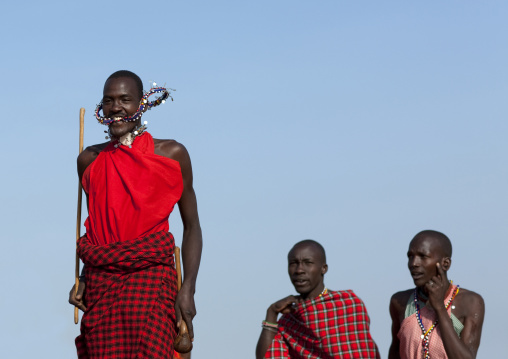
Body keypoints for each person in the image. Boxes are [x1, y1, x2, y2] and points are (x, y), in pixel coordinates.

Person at [68, 70, 202, 358]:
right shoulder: (89, 160)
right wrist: (82, 278)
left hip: (151, 282)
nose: (116, 107)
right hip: (102, 284)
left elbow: (192, 227)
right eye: (109, 100)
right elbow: (100, 227)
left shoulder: (172, 154)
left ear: (142, 103)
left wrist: (188, 288)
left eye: (125, 99)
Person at [256, 240, 380, 359]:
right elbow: (267, 356)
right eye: (293, 263)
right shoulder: (289, 319)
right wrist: (272, 312)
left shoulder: (348, 305)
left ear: (323, 269)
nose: (299, 270)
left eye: (307, 262)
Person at [389, 230, 485, 359]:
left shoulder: (470, 302)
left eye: (423, 256)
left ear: (445, 264)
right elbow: (395, 351)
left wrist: (439, 307)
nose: (414, 263)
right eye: (410, 256)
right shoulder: (401, 302)